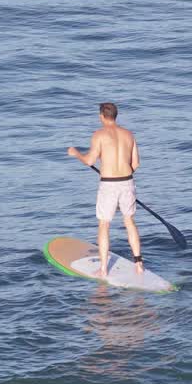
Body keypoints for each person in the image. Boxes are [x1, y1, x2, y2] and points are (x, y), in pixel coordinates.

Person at [67, 102, 143, 276]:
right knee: (129, 221)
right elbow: (136, 163)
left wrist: (75, 153)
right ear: (115, 116)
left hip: (108, 184)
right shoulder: (129, 134)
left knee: (104, 224)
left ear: (101, 116)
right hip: (127, 181)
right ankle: (139, 264)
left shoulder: (99, 135)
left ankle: (103, 269)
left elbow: (89, 161)